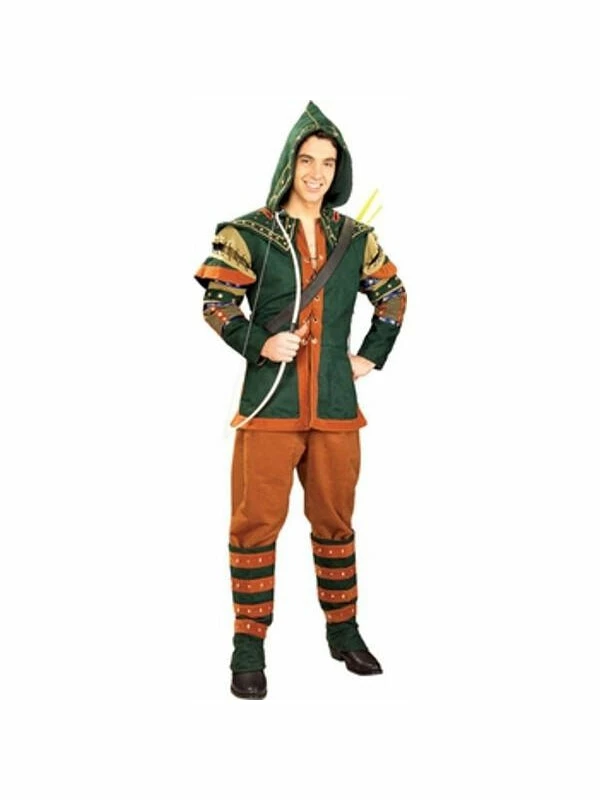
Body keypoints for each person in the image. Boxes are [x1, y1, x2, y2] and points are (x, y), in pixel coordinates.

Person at [194, 101, 407, 699]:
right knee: (254, 525)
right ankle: (248, 646)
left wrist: (368, 356)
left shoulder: (355, 237)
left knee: (336, 523)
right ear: (291, 163)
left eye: (328, 163)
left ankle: (344, 632)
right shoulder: (248, 232)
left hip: (336, 408)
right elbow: (216, 303)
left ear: (339, 170)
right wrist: (260, 343)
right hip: (270, 405)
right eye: (307, 160)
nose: (317, 173)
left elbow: (392, 295)